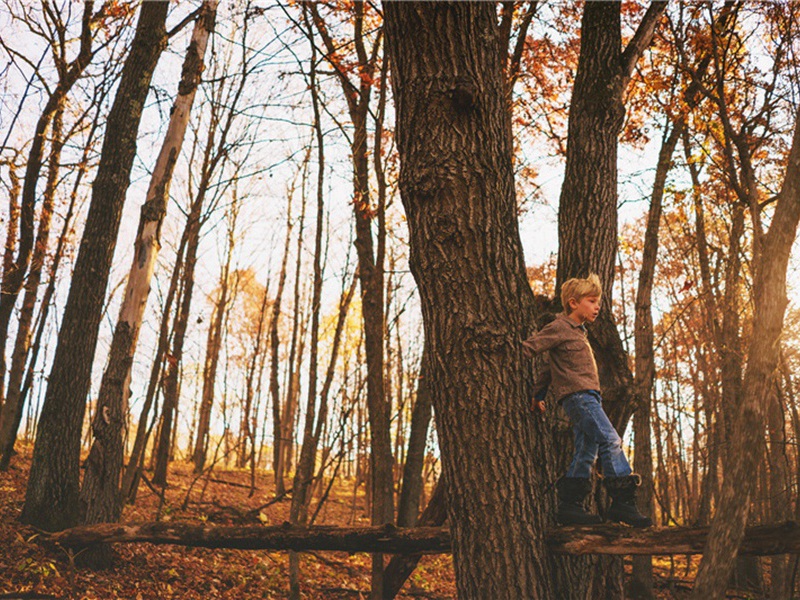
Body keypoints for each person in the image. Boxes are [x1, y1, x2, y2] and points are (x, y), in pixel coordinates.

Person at [522, 274, 652, 527]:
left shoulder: (580, 334)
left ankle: (570, 507)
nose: (597, 306)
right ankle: (623, 503)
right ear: (573, 303)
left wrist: (538, 395)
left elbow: (549, 368)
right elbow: (529, 348)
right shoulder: (559, 327)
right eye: (591, 301)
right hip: (579, 398)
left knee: (586, 452)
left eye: (598, 302)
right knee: (611, 439)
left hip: (589, 398)